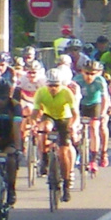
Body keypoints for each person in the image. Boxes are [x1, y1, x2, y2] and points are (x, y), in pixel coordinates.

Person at [31, 68, 79, 202]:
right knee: (43, 128)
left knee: (63, 153)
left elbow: (75, 114)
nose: (53, 88)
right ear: (46, 84)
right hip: (49, 116)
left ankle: (66, 183)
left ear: (61, 84)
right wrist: (33, 123)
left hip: (64, 119)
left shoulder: (66, 92)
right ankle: (44, 159)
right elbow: (35, 111)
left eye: (56, 85)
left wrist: (73, 125)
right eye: (50, 85)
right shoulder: (41, 92)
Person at [72, 59, 110, 171]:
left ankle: (93, 159)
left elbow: (105, 98)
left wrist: (103, 113)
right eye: (86, 73)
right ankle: (78, 149)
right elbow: (70, 98)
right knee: (75, 129)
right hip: (80, 104)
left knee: (94, 128)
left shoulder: (100, 81)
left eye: (92, 74)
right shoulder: (76, 80)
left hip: (95, 104)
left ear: (97, 73)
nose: (89, 77)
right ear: (82, 71)